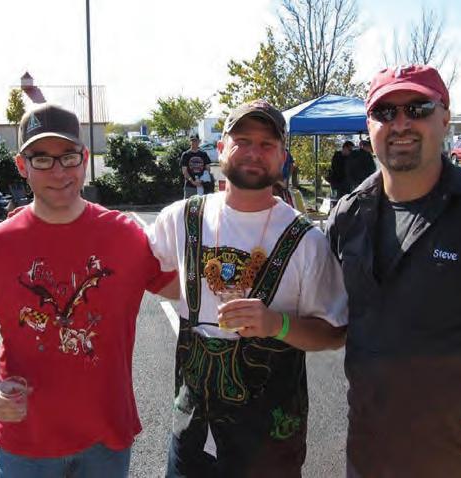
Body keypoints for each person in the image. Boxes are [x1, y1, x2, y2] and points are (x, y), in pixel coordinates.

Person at [325, 64, 461, 478]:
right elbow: (327, 315)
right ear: (369, 126)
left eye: (417, 108)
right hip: (367, 458)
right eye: (385, 112)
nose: (400, 123)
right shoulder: (349, 216)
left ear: (445, 118)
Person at [0, 103, 178, 477]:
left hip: (106, 437)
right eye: (41, 159)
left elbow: (185, 290)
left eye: (68, 157)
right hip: (27, 441)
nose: (58, 172)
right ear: (21, 165)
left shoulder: (126, 236)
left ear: (84, 159)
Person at [149, 99, 348, 477]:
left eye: (267, 144)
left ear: (283, 157)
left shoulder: (306, 240)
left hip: (269, 447)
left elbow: (335, 332)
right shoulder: (181, 218)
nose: (254, 152)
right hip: (191, 436)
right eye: (242, 140)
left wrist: (278, 324)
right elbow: (134, 264)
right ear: (221, 148)